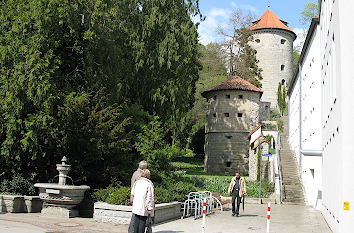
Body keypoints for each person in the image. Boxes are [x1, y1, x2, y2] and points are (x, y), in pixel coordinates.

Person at [128, 160, 147, 233]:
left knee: (135, 217)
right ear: (144, 168)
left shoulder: (135, 173)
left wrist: (131, 198)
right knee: (139, 218)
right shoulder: (141, 175)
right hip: (139, 199)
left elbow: (132, 186)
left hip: (134, 197)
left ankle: (131, 230)